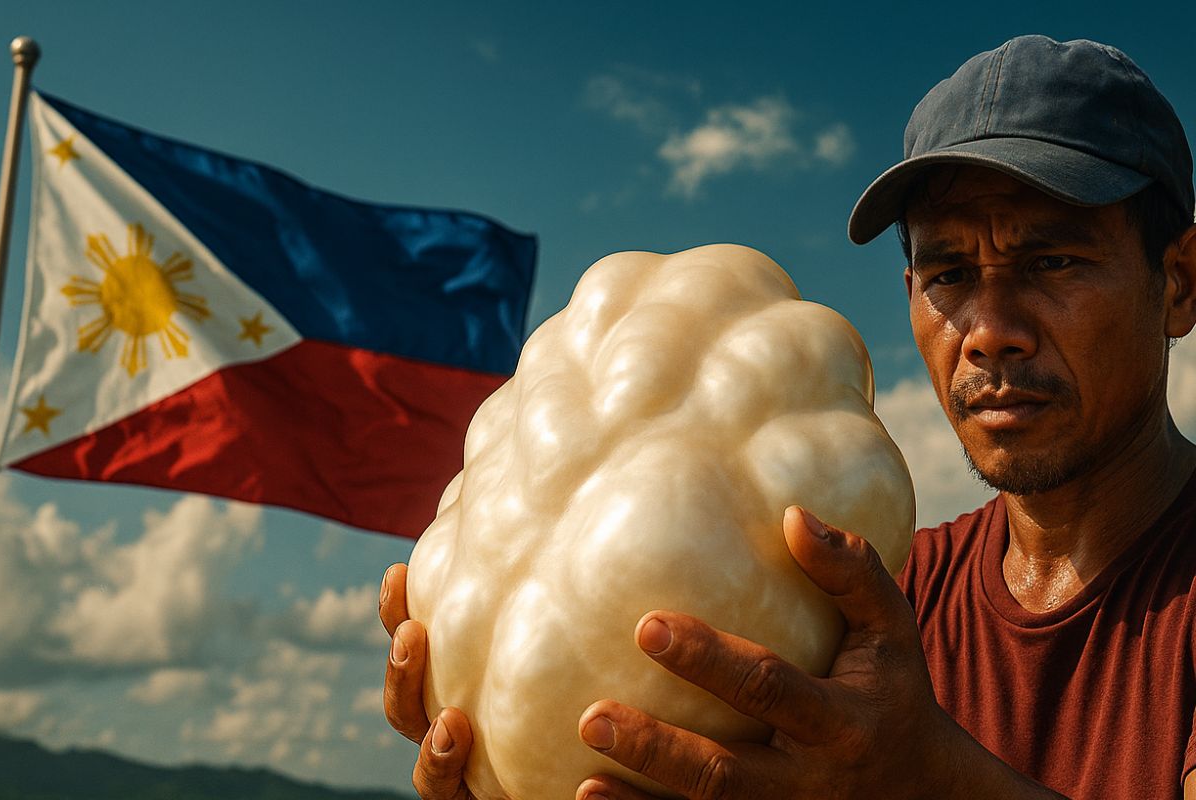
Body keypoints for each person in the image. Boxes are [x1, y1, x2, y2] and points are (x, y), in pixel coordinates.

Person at [377, 35, 1196, 799]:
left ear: (1181, 283)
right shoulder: (876, 597)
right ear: (910, 296)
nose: (988, 332)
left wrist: (923, 778)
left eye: (1052, 261)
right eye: (948, 273)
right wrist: (517, 762)